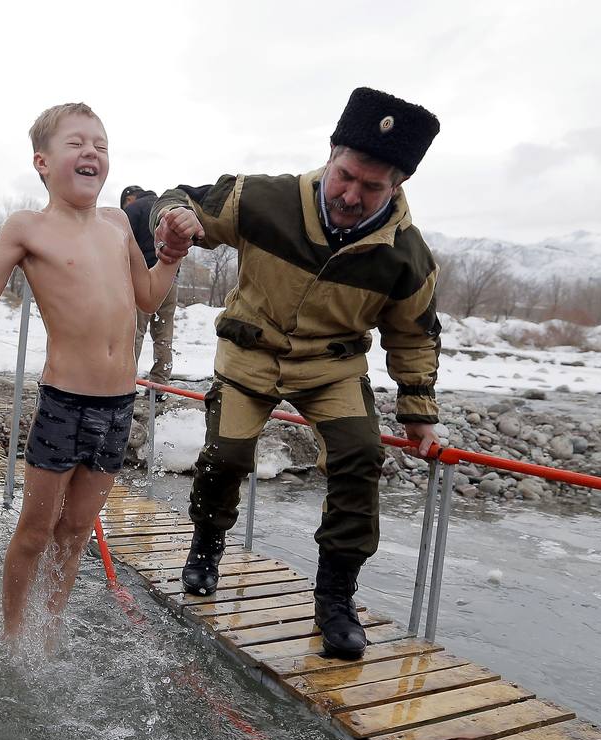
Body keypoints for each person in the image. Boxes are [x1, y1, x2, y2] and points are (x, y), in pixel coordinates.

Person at [154, 87, 445, 660]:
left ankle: (335, 597)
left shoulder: (407, 256)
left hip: (329, 369)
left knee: (361, 456)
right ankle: (207, 546)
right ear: (331, 152)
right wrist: (174, 217)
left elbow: (413, 337)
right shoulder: (262, 199)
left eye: (371, 187)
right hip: (248, 357)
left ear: (398, 186)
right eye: (345, 175)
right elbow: (185, 199)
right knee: (228, 459)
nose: (351, 194)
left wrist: (419, 416)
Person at [0, 102, 201, 646]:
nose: (92, 152)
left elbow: (147, 296)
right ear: (42, 162)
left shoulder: (118, 223)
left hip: (118, 405)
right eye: (76, 143)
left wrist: (170, 255)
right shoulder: (27, 227)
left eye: (100, 144)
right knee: (35, 531)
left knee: (75, 531)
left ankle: (48, 627)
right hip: (64, 402)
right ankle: (12, 636)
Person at [120, 185, 176, 385]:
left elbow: (119, 245)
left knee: (134, 331)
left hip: (142, 279)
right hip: (170, 281)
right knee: (163, 335)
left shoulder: (132, 210)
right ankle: (160, 384)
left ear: (129, 199)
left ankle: (125, 381)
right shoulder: (167, 208)